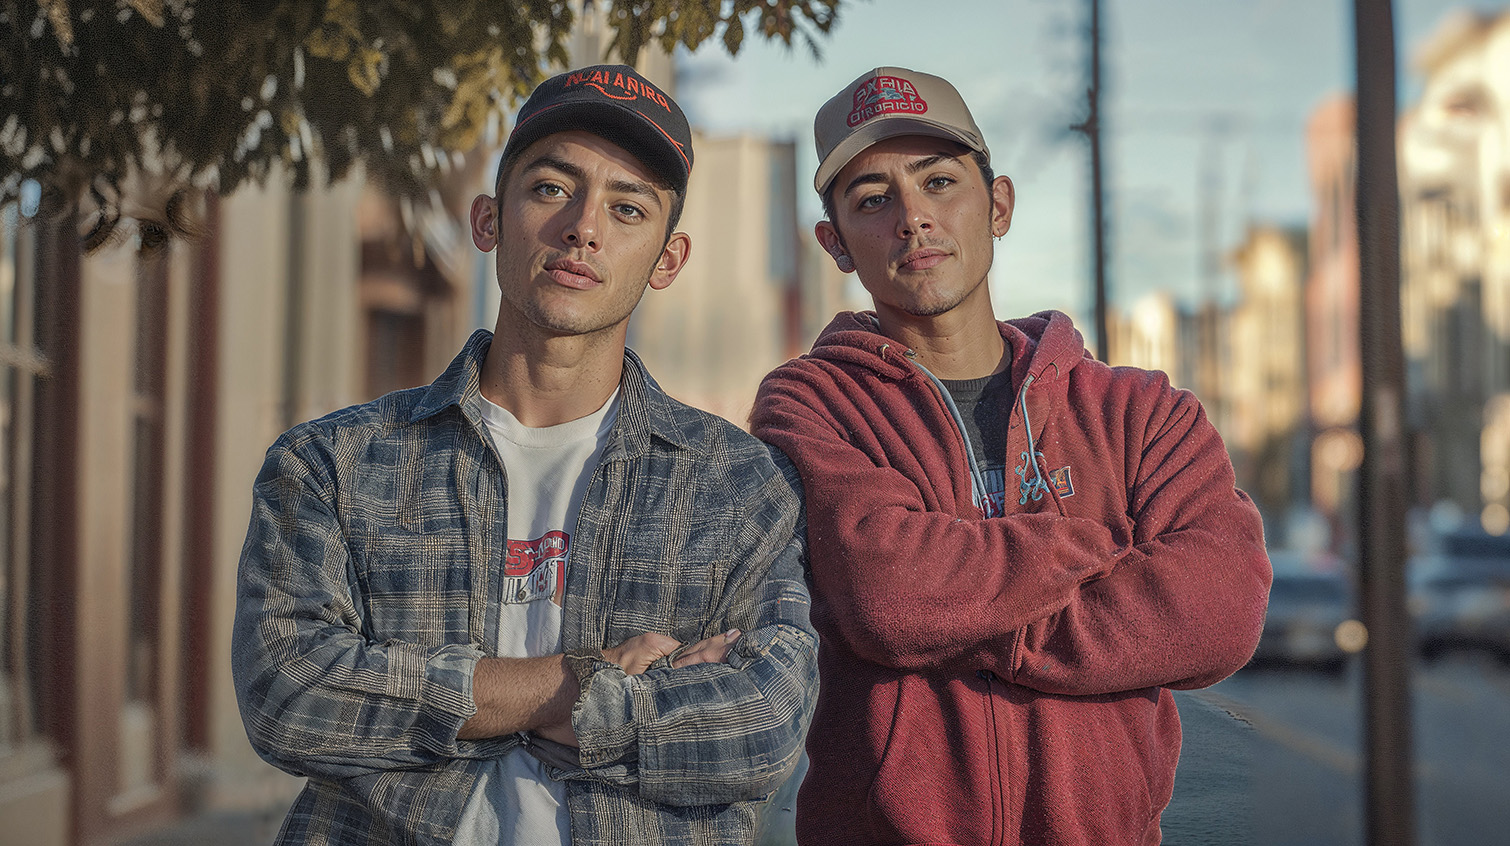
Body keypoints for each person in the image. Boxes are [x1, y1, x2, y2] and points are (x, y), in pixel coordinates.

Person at [233, 64, 817, 846]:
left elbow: (760, 729)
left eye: (628, 207)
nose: (584, 227)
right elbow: (290, 692)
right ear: (488, 220)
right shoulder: (334, 465)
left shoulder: (739, 487)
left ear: (667, 260)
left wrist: (436, 689)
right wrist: (587, 683)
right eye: (550, 188)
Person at [751, 66, 1272, 845]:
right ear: (834, 243)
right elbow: (887, 594)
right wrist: (1097, 549)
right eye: (872, 199)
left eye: (939, 182)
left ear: (997, 206)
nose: (913, 218)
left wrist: (961, 618)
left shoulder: (1141, 413)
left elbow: (1220, 609)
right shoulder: (811, 404)